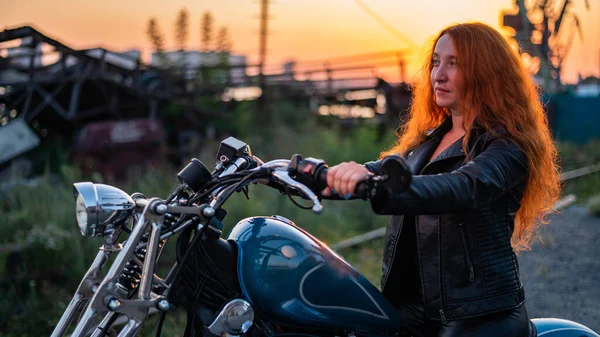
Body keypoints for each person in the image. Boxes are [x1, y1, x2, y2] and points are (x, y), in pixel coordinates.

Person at [323, 22, 561, 337]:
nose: (439, 75)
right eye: (436, 62)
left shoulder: (508, 145)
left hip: (476, 314)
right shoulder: (429, 140)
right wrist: (312, 175)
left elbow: (464, 186)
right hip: (408, 307)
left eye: (455, 63)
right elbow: (382, 170)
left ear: (486, 72)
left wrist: (379, 186)